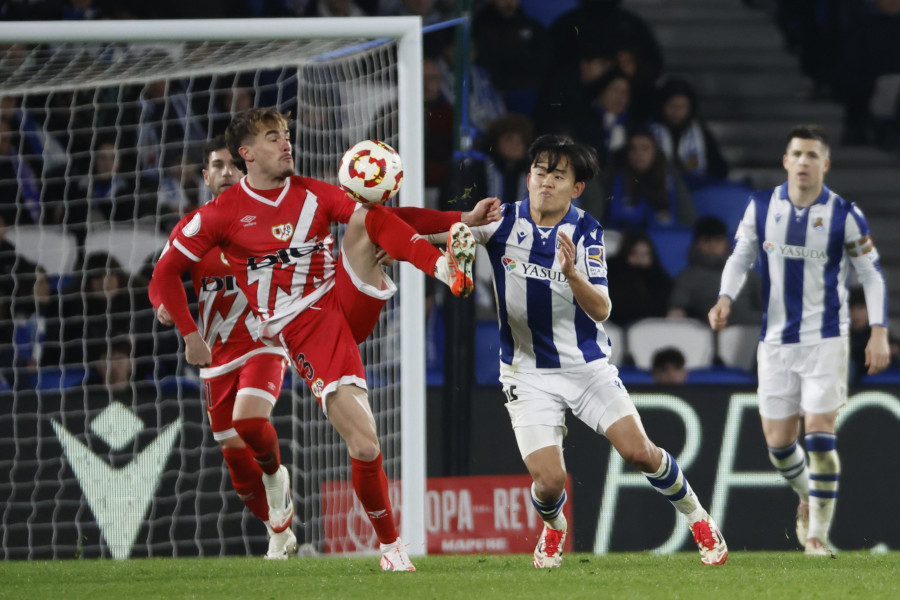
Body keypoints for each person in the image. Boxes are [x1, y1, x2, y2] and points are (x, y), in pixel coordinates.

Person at [150, 108, 499, 571]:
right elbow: (164, 274)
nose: (286, 144)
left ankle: (443, 269)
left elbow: (393, 216)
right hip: (303, 330)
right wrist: (190, 335)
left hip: (339, 299)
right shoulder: (219, 216)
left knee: (365, 217)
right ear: (247, 154)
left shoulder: (312, 193)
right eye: (273, 138)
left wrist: (462, 217)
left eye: (287, 136)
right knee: (365, 444)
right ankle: (391, 547)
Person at [460, 134, 727, 568]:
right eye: (540, 172)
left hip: (586, 368)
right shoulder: (500, 222)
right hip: (525, 372)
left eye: (558, 175)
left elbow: (602, 308)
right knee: (548, 483)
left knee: (639, 452)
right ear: (528, 176)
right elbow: (439, 234)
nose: (546, 181)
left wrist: (571, 274)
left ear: (576, 188)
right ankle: (553, 525)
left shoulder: (586, 233)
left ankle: (697, 517)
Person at [708, 124, 891, 556]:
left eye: (813, 155)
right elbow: (740, 256)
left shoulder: (846, 214)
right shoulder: (761, 207)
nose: (804, 162)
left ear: (825, 164)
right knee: (778, 446)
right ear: (785, 161)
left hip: (826, 340)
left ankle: (817, 537)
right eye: (798, 154)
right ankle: (808, 493)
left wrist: (880, 330)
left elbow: (871, 274)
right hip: (775, 343)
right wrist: (724, 297)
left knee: (821, 438)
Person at [149, 136, 296, 559]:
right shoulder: (193, 228)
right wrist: (166, 309)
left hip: (265, 343)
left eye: (234, 163)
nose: (227, 171)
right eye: (218, 165)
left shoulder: (273, 218)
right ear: (206, 176)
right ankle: (277, 529)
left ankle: (276, 476)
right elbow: (161, 279)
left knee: (251, 424)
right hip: (216, 354)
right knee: (235, 463)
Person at [668, 216, 762, 325]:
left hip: (750, 332)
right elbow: (677, 311)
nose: (713, 245)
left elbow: (767, 306)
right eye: (706, 240)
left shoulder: (747, 274)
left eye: (718, 240)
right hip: (707, 335)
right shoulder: (687, 278)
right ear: (697, 244)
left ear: (726, 242)